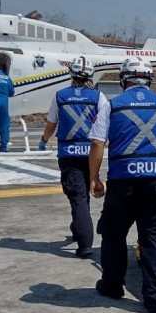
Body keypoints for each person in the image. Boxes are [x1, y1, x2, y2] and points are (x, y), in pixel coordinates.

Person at [89, 57, 156, 313]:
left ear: (124, 80)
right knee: (154, 237)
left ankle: (112, 286)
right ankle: (153, 298)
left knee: (113, 235)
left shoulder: (112, 106)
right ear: (150, 79)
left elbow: (97, 143)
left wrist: (94, 177)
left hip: (123, 183)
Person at [38, 56, 108, 258]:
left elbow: (51, 124)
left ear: (71, 74)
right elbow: (105, 124)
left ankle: (85, 244)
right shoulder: (99, 97)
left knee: (77, 197)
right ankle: (78, 229)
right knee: (82, 195)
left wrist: (44, 140)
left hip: (69, 154)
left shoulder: (60, 96)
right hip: (92, 154)